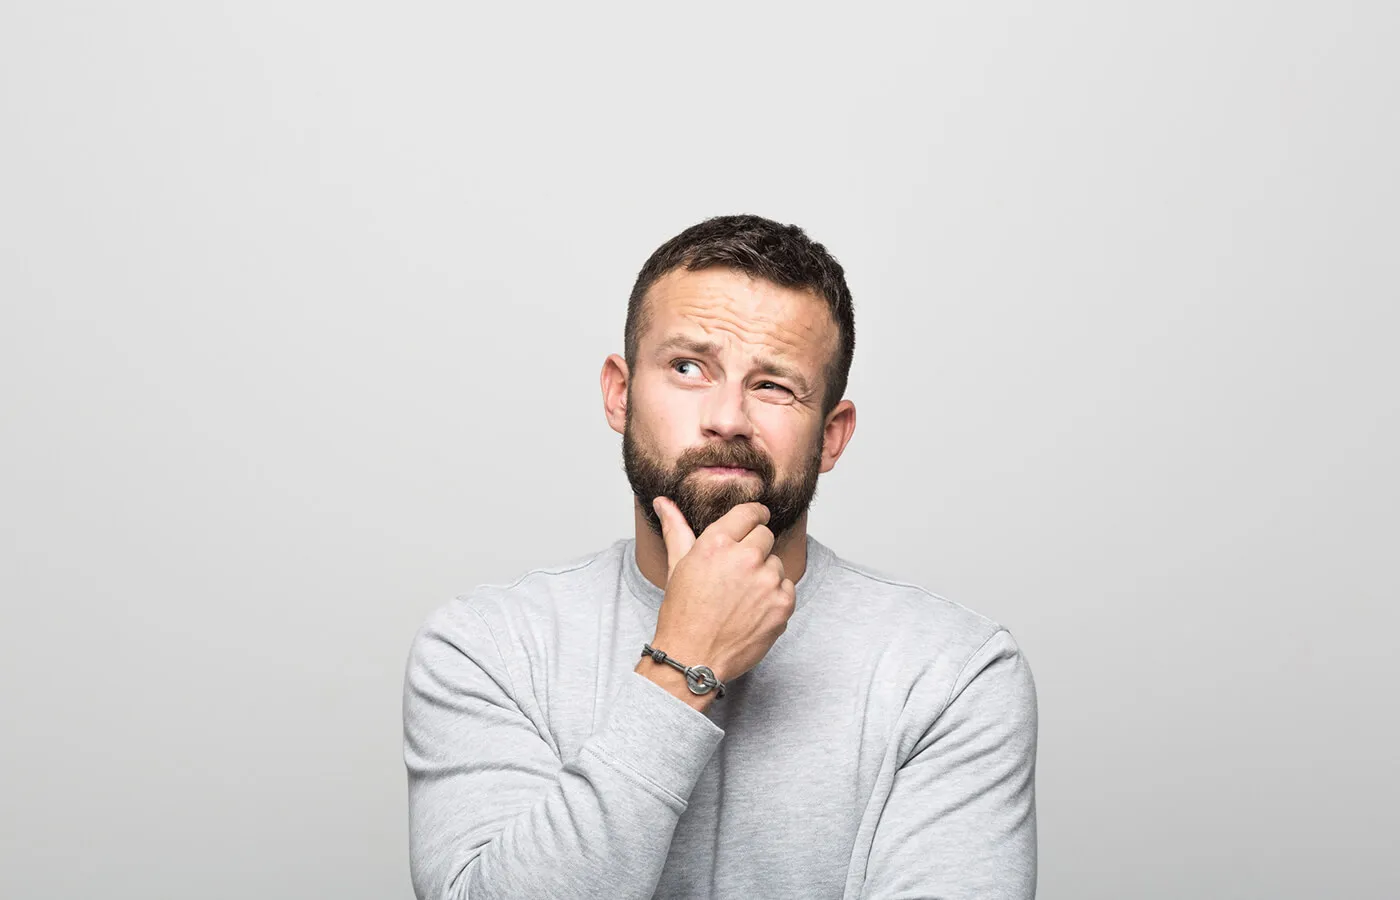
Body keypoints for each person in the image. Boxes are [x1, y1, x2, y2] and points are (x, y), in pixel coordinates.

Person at [402, 214, 1038, 899]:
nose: (727, 417)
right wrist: (682, 664)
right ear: (620, 393)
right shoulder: (486, 648)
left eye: (773, 386)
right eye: (687, 368)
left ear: (831, 436)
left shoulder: (954, 673)